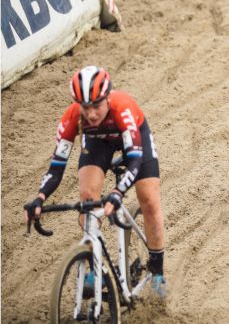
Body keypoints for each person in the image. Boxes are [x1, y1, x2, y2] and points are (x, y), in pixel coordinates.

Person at [23, 66, 167, 298]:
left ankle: (158, 269)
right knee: (88, 198)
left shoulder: (123, 109)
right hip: (97, 142)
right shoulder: (72, 117)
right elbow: (56, 168)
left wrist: (118, 192)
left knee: (149, 199)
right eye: (85, 107)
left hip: (134, 141)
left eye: (97, 106)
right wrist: (39, 198)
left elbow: (135, 161)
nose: (90, 114)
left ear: (108, 98)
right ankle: (94, 265)